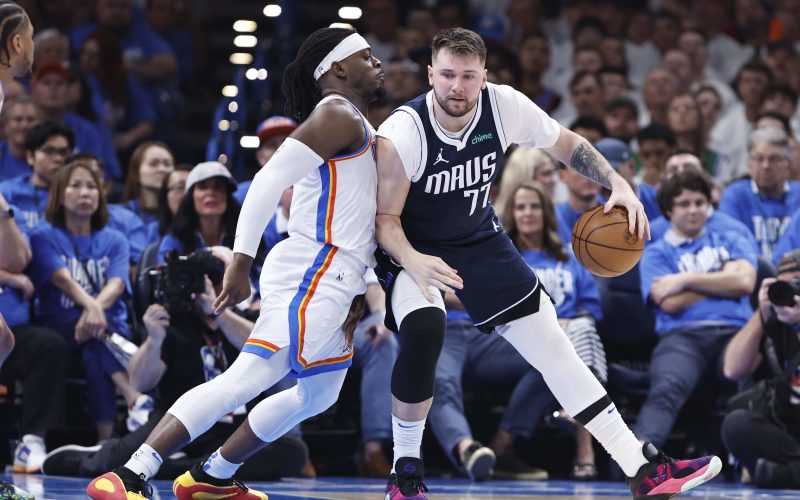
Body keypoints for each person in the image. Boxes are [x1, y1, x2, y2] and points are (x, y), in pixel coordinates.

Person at [374, 27, 720, 500]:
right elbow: (386, 220)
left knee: (554, 343)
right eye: (448, 75)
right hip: (410, 243)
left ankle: (640, 467)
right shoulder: (403, 132)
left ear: (484, 77)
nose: (457, 87)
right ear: (431, 74)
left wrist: (616, 182)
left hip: (477, 236)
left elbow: (567, 144)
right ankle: (405, 472)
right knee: (426, 327)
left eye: (468, 76)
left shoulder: (504, 106)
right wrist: (414, 260)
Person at [87, 26, 384, 499]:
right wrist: (240, 262)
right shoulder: (336, 112)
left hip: (336, 274)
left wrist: (359, 285)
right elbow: (267, 182)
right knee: (250, 376)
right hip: (315, 268)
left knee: (321, 392)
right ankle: (128, 474)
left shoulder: (354, 123)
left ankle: (213, 476)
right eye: (367, 56)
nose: (378, 63)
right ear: (339, 69)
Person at [636, 170, 757, 448]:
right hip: (682, 336)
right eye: (684, 204)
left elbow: (745, 282)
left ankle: (751, 461)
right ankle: (639, 465)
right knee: (666, 388)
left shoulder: (728, 238)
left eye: (700, 203)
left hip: (736, 332)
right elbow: (670, 303)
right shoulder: (656, 252)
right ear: (669, 209)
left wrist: (684, 279)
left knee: (756, 378)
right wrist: (721, 279)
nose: (694, 210)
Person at [30, 162, 142, 441]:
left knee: (93, 343)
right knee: (93, 331)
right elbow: (61, 279)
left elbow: (117, 284)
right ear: (59, 194)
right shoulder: (43, 235)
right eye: (76, 185)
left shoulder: (115, 239)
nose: (85, 193)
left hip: (105, 327)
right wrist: (93, 308)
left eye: (92, 186)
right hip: (62, 326)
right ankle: (133, 398)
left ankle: (105, 439)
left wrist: (94, 313)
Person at [721, 249, 800, 489]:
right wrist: (762, 313)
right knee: (736, 423)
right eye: (785, 285)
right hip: (789, 429)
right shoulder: (775, 317)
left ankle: (787, 474)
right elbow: (732, 369)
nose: (793, 291)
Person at [718, 127, 800, 261]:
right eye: (759, 158)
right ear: (748, 163)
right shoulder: (734, 195)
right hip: (749, 273)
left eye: (774, 159)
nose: (766, 166)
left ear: (788, 164)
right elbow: (732, 243)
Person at [0, 121, 75, 230]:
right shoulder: (6, 193)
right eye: (49, 151)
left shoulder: (77, 195)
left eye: (63, 152)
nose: (58, 159)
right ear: (30, 157)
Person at [122, 141, 175, 224]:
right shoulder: (121, 215)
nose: (162, 169)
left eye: (167, 164)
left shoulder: (180, 215)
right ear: (136, 172)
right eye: (153, 164)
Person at [0, 96, 40, 182]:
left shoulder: (47, 157)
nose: (24, 125)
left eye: (30, 120)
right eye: (18, 119)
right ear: (6, 126)